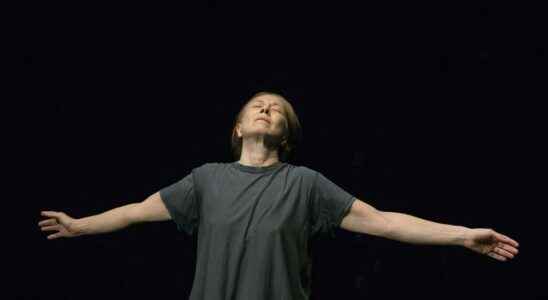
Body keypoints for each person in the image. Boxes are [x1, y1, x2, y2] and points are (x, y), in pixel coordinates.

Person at [38, 91, 520, 299]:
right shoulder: (205, 179)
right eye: (257, 105)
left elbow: (384, 220)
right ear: (238, 128)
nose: (267, 109)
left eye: (277, 108)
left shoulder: (305, 184)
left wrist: (460, 236)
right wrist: (80, 225)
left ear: (285, 134)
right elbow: (135, 213)